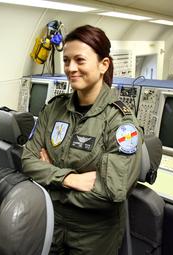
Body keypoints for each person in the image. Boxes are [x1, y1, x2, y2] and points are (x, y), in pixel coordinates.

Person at [22, 25, 143, 255]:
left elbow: (111, 193)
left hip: (94, 236)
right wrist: (68, 179)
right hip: (51, 223)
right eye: (66, 61)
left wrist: (50, 178)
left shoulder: (120, 121)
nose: (71, 68)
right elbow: (28, 160)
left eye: (80, 60)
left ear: (103, 64)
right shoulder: (54, 109)